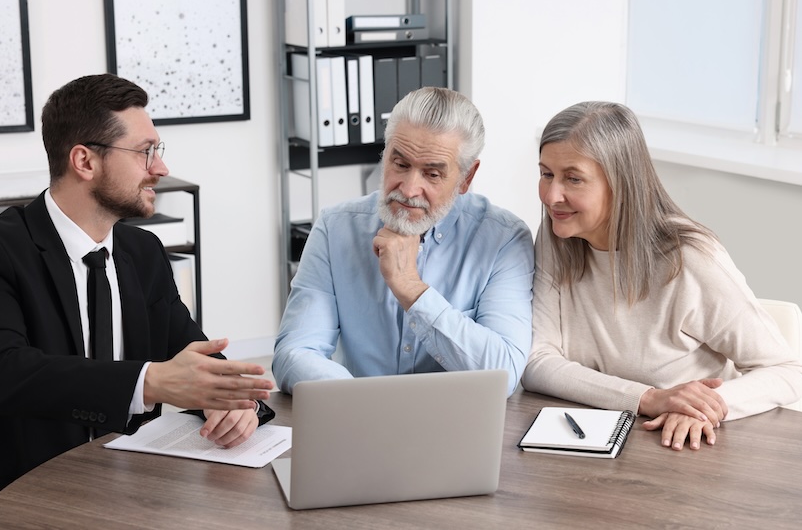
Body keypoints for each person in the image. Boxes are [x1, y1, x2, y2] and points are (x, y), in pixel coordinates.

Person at [0, 73, 275, 526]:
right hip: (16, 498)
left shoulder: (142, 254)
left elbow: (193, 356)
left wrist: (235, 403)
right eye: (145, 152)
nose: (159, 168)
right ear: (84, 161)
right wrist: (150, 383)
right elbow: (1, 373)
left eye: (158, 151)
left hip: (129, 489)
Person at [521, 101, 802, 451]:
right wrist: (649, 398)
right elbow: (536, 363)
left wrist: (702, 408)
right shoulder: (557, 235)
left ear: (620, 182)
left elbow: (787, 370)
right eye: (546, 173)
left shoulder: (690, 259)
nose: (551, 196)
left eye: (573, 178)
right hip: (595, 437)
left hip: (688, 447)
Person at [272, 87, 534, 395]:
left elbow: (503, 375)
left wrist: (411, 287)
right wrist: (362, 402)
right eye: (400, 164)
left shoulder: (504, 239)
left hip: (458, 426)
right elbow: (294, 352)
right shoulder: (335, 228)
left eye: (432, 174)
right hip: (360, 419)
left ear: (466, 178)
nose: (409, 190)